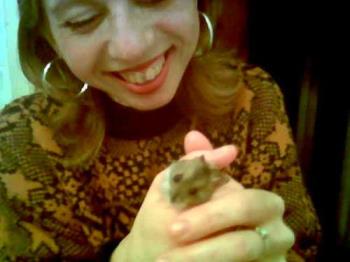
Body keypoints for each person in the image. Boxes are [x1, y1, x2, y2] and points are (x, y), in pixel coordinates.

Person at [0, 0, 321, 261]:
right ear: (48, 37)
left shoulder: (254, 98)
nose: (132, 48)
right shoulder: (19, 145)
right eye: (83, 19)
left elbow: (302, 245)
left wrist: (269, 249)